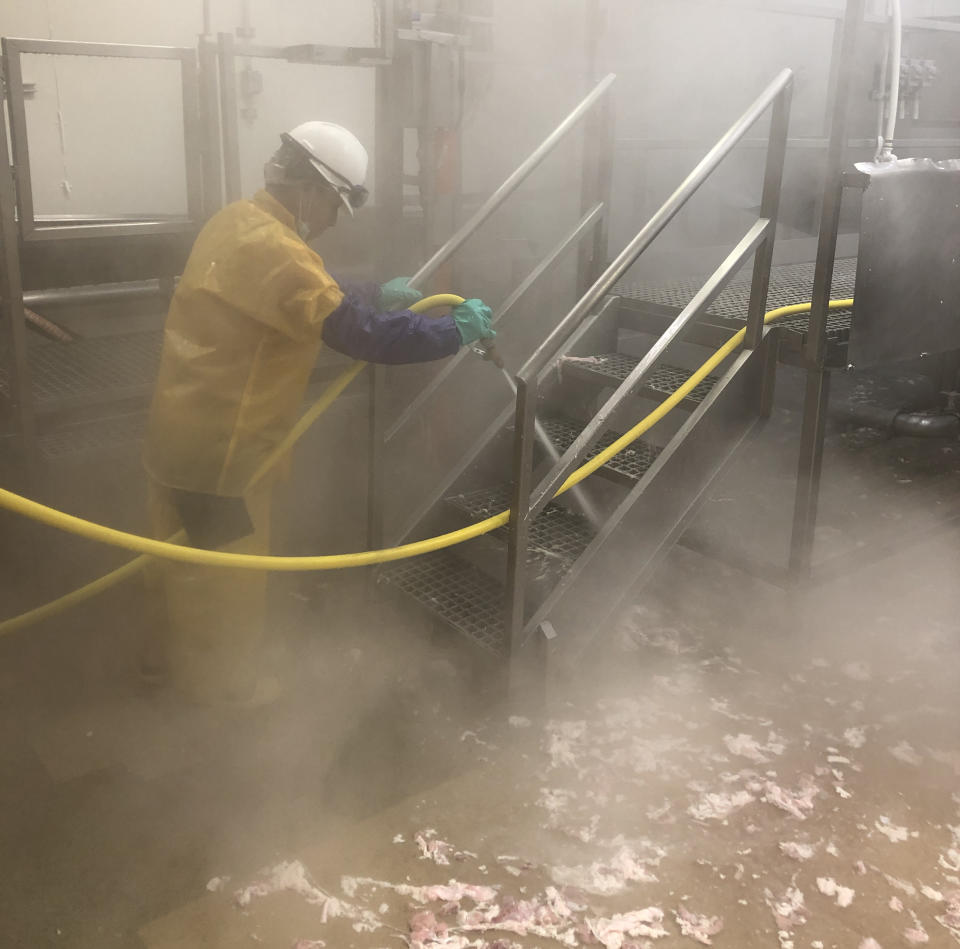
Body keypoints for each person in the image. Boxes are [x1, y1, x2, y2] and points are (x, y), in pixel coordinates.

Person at [140, 121, 494, 705]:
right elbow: (359, 333)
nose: (331, 220)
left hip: (176, 436)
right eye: (335, 206)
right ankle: (227, 692)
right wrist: (449, 331)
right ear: (312, 190)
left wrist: (372, 290)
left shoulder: (236, 222)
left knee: (167, 563)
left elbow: (306, 289)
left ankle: (157, 667)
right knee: (226, 580)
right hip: (225, 458)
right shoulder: (280, 252)